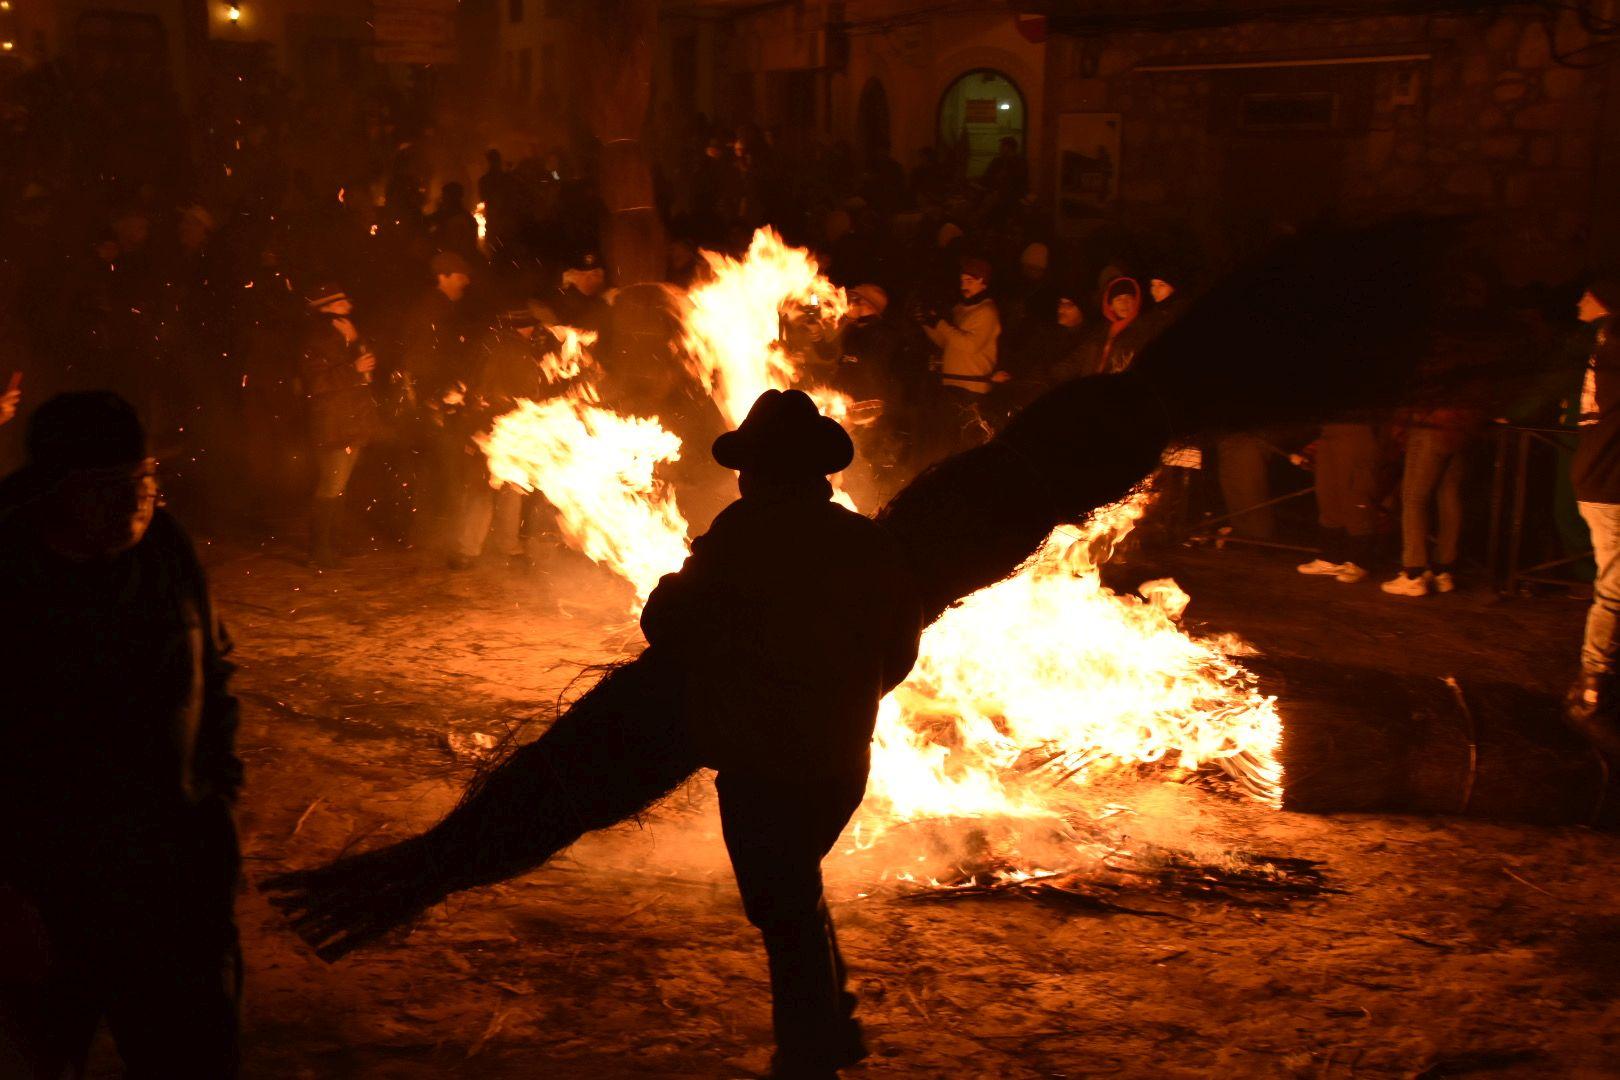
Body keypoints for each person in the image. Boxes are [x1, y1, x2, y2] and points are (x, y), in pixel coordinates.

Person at [639, 389, 922, 1079]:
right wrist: (849, 701)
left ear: (760, 472)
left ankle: (809, 1054)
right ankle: (834, 1023)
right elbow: (901, 649)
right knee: (796, 887)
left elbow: (666, 623)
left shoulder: (743, 534)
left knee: (782, 905)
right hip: (840, 758)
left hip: (763, 756)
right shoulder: (865, 539)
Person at [0, 392, 243, 1078]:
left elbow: (216, 665)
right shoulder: (9, 577)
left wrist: (218, 793)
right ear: (54, 491)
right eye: (108, 488)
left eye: (144, 481)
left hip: (169, 877)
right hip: (42, 896)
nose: (135, 502)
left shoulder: (165, 548)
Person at [452, 303, 552, 571]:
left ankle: (477, 549)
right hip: (501, 427)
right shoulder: (510, 350)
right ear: (524, 327)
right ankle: (481, 548)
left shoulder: (491, 344)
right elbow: (515, 391)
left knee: (501, 487)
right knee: (493, 488)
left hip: (500, 425)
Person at [1566, 278, 1620, 754]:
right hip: (1611, 482)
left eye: (1589, 293)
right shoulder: (1611, 342)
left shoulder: (1605, 343)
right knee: (1615, 589)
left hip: (1599, 478)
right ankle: (1593, 686)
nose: (1579, 300)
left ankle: (1594, 680)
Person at [300, 282, 380, 569]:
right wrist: (353, 369)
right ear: (327, 307)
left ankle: (333, 544)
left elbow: (365, 365)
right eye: (341, 302)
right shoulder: (316, 338)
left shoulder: (345, 331)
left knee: (340, 486)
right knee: (331, 485)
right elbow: (316, 383)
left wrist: (356, 341)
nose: (349, 306)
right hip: (332, 423)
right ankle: (319, 551)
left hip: (351, 420)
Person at [1381, 405, 1480, 596]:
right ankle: (1443, 570)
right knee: (1449, 496)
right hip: (1462, 428)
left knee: (1414, 498)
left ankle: (1414, 573)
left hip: (1432, 426)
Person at [921, 255, 1004, 454]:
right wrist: (926, 323)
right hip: (951, 385)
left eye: (970, 281)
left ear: (983, 283)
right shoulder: (960, 309)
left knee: (967, 446)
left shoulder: (987, 312)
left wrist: (941, 323)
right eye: (962, 280)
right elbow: (947, 342)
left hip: (972, 389)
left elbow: (970, 345)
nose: (964, 285)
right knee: (948, 444)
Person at [1296, 421, 1382, 584]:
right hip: (1329, 431)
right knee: (1328, 493)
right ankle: (1331, 558)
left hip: (1357, 429)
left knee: (1355, 495)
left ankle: (1360, 563)